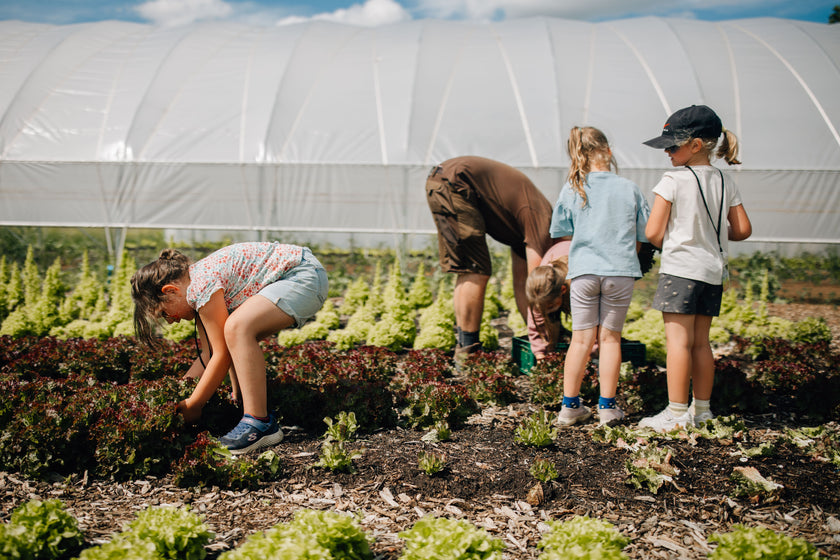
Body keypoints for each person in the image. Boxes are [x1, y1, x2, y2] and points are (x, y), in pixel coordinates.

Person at [131, 242, 328, 454]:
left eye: (164, 313)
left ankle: (259, 423)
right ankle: (248, 405)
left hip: (302, 275)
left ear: (171, 291)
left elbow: (221, 355)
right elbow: (210, 355)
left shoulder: (201, 286)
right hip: (297, 276)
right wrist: (179, 392)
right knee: (233, 330)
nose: (171, 322)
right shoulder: (198, 291)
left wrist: (195, 404)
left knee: (237, 327)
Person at [640, 104, 752, 432]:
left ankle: (676, 414)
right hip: (712, 272)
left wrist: (671, 238)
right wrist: (709, 231)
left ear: (696, 145)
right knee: (702, 343)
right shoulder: (724, 180)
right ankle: (701, 411)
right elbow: (743, 229)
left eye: (672, 146)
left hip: (680, 271)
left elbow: (653, 232)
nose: (668, 153)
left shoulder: (672, 179)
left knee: (677, 342)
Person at [549, 127, 650, 427]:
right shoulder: (630, 188)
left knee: (580, 340)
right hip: (620, 272)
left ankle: (570, 408)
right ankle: (607, 408)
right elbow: (643, 235)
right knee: (610, 339)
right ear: (608, 150)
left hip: (583, 272)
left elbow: (561, 230)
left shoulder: (572, 187)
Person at [425, 156, 554, 360]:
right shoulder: (543, 224)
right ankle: (468, 351)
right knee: (475, 269)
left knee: (470, 269)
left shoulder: (528, 233)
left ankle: (464, 348)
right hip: (457, 183)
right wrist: (544, 336)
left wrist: (534, 333)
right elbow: (535, 287)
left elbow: (522, 283)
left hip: (446, 181)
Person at [525, 239, 571, 361]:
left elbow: (592, 321)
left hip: (580, 267)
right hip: (555, 254)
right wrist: (540, 355)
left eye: (550, 306)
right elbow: (535, 327)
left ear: (563, 290)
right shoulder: (538, 292)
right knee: (548, 319)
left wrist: (590, 353)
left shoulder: (578, 285)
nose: (547, 310)